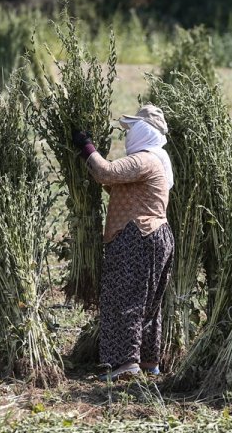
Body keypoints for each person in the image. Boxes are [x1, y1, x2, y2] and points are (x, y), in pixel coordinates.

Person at [72, 104, 175, 381]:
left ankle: (125, 363)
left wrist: (86, 147)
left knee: (125, 299)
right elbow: (113, 184)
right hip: (157, 236)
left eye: (132, 129)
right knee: (149, 305)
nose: (128, 135)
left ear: (145, 131)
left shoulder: (145, 159)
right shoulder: (159, 160)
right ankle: (148, 362)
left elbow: (105, 172)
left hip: (136, 236)